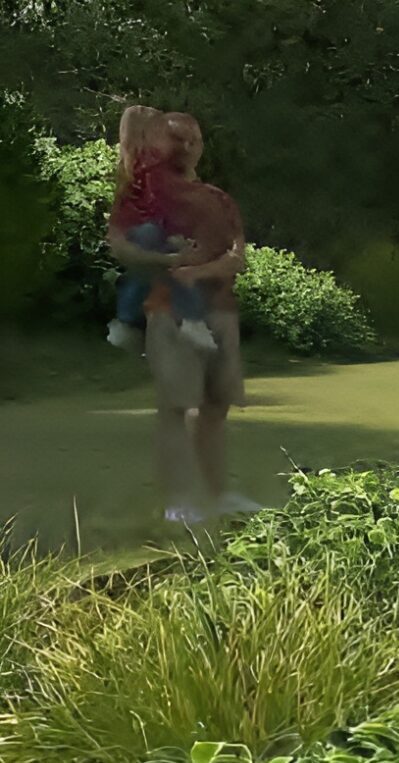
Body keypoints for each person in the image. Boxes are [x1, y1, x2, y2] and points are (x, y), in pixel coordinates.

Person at [106, 112, 252, 526]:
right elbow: (119, 246)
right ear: (158, 144)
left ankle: (220, 496)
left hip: (221, 312)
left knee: (216, 407)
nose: (186, 146)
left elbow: (237, 257)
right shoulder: (142, 194)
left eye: (193, 139)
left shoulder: (219, 198)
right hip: (168, 311)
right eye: (176, 139)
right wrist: (167, 261)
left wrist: (198, 272)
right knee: (175, 408)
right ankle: (179, 501)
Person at [103, 107, 218, 355]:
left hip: (164, 237)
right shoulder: (135, 175)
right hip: (147, 237)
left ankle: (142, 325)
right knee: (152, 243)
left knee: (172, 260)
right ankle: (188, 322)